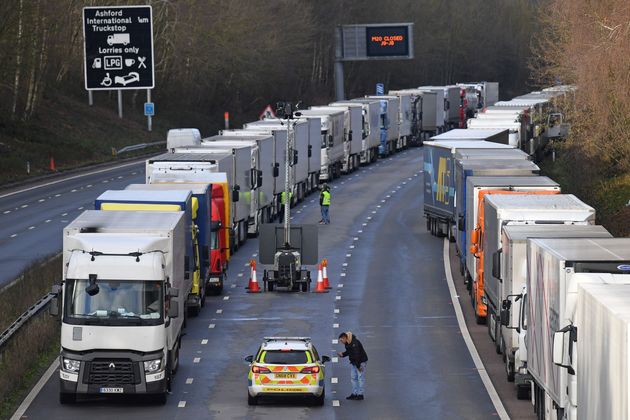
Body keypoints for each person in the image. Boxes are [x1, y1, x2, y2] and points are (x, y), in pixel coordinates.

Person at [337, 331, 368, 400]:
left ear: (344, 338)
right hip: (354, 362)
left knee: (360, 378)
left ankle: (360, 394)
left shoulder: (354, 343)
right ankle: (354, 393)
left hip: (360, 362)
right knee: (353, 378)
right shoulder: (348, 342)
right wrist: (343, 354)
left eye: (341, 340)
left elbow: (357, 356)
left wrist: (358, 366)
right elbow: (349, 351)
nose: (341, 342)